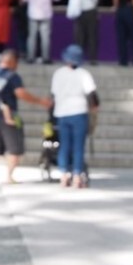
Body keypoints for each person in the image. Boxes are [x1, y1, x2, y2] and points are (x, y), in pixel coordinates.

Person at [0, 49, 52, 186]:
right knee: (14, 148)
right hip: (9, 117)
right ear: (13, 62)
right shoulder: (13, 77)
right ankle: (9, 176)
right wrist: (40, 101)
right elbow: (21, 93)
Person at [50, 44, 99, 188]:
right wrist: (95, 108)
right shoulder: (83, 74)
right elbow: (92, 94)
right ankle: (77, 175)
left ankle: (64, 175)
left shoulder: (58, 73)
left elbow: (53, 94)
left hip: (62, 112)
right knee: (78, 146)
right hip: (79, 112)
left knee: (64, 145)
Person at [19, 0, 61, 64]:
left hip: (33, 11)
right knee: (45, 36)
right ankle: (45, 57)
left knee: (31, 36)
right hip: (46, 11)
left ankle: (30, 57)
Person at [71, 0, 103, 64]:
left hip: (80, 12)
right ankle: (92, 59)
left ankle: (77, 58)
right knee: (92, 36)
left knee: (79, 37)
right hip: (91, 12)